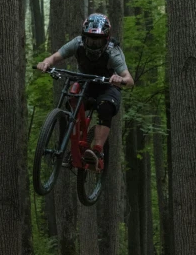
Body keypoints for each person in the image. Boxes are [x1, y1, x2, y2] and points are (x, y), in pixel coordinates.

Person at [37, 13, 134, 169]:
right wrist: (45, 62)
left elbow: (129, 80)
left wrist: (119, 79)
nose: (94, 44)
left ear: (106, 39)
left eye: (98, 41)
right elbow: (55, 57)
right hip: (85, 84)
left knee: (105, 108)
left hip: (107, 86)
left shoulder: (113, 52)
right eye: (90, 39)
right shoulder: (77, 44)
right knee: (71, 102)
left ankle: (97, 151)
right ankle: (73, 148)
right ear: (84, 37)